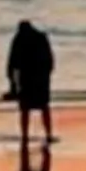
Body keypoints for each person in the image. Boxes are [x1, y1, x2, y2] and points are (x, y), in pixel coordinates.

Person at [4, 20, 55, 148]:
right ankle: (48, 134)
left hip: (27, 78)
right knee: (43, 107)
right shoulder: (41, 38)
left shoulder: (19, 39)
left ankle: (25, 136)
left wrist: (12, 85)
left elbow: (11, 64)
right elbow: (50, 60)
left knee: (26, 109)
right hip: (39, 78)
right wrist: (47, 75)